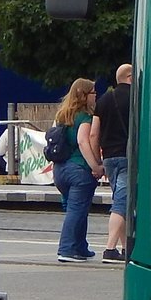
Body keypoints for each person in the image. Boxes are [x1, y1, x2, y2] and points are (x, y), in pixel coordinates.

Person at [53, 78, 103, 263]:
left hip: (60, 169)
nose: (96, 95)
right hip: (79, 169)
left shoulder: (62, 116)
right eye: (93, 92)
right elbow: (84, 141)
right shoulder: (84, 117)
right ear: (84, 95)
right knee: (76, 209)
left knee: (76, 208)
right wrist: (96, 166)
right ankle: (66, 249)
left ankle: (81, 247)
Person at [91, 63, 131, 263]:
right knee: (122, 204)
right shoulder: (137, 99)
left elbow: (93, 133)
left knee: (121, 200)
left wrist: (98, 161)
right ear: (130, 77)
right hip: (128, 157)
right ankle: (109, 249)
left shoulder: (104, 100)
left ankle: (126, 249)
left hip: (108, 158)